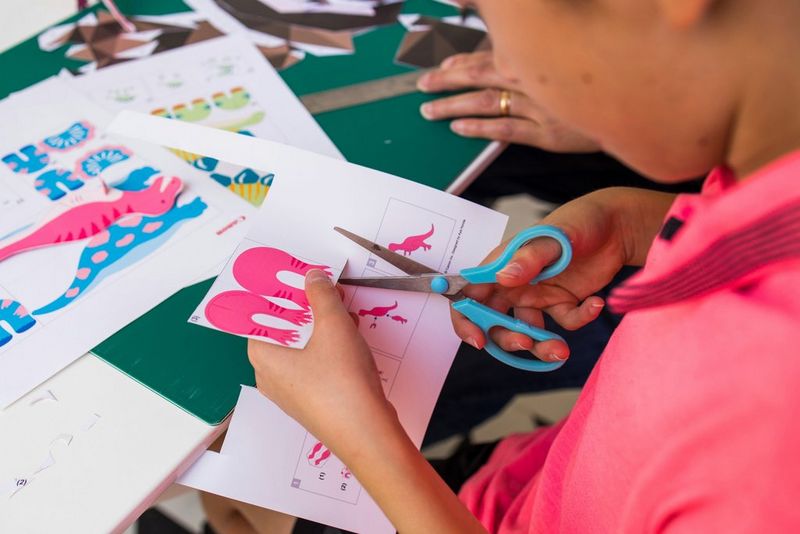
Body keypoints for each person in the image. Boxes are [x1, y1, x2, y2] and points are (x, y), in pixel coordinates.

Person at [246, 0, 800, 532]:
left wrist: (362, 436)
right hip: (536, 480)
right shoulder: (768, 174)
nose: (509, 70)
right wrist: (646, 223)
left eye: (489, 16)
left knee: (248, 490)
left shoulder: (763, 445)